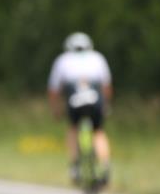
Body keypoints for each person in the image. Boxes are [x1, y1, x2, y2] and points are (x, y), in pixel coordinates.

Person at [47, 32, 112, 184]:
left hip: (74, 100)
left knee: (73, 129)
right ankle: (105, 165)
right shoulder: (97, 57)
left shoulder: (62, 60)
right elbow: (107, 87)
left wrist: (56, 110)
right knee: (98, 132)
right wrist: (106, 105)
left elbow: (53, 90)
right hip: (95, 99)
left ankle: (75, 165)